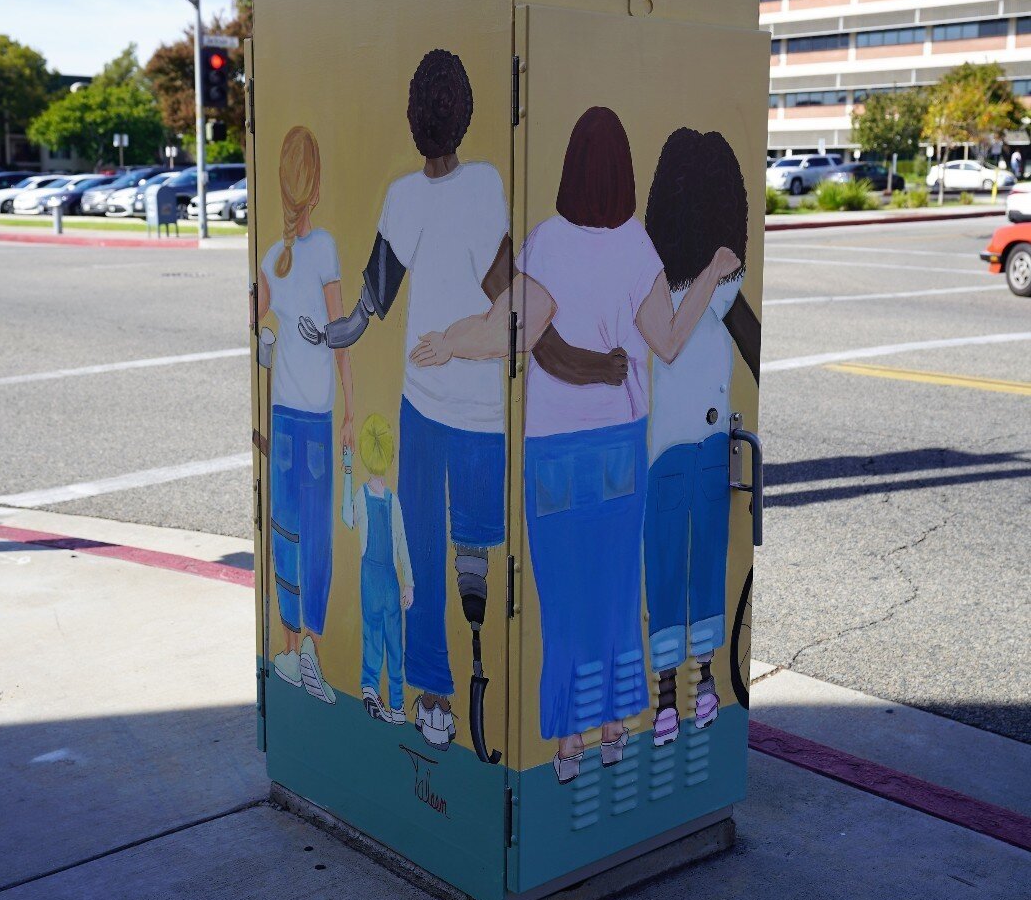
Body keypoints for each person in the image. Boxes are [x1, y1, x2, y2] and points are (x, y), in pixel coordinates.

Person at [300, 51, 621, 754]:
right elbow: (512, 300)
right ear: (466, 111)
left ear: (416, 116)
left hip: (428, 403)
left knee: (419, 551)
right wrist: (581, 362)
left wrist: (325, 334)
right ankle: (472, 676)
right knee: (468, 556)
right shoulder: (482, 186)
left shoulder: (407, 196)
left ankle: (437, 698)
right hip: (475, 414)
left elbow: (368, 307)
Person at [411, 107, 739, 783]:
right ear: (622, 175)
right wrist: (711, 272)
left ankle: (568, 749)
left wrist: (448, 343)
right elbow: (670, 342)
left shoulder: (549, 243)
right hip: (620, 451)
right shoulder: (636, 249)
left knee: (562, 604)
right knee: (616, 599)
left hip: (554, 455)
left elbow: (506, 330)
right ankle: (617, 727)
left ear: (570, 170)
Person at [642, 128, 757, 745]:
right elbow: (679, 337)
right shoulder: (698, 288)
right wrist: (716, 269)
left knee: (671, 571)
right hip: (701, 451)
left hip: (669, 452)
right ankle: (702, 685)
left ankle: (677, 695)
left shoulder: (655, 280)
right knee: (700, 568)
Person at [257, 125, 355, 703]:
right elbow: (341, 334)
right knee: (314, 536)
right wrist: (351, 407)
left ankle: (291, 653)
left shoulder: (273, 259)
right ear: (314, 190)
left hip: (285, 421)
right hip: (316, 420)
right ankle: (309, 656)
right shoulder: (324, 250)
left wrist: (269, 335)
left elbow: (259, 322)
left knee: (286, 530)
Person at [342, 414, 414, 726]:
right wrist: (408, 582)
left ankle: (370, 686)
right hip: (388, 576)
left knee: (372, 633)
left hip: (368, 576)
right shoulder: (393, 500)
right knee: (394, 640)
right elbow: (401, 543)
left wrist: (347, 470)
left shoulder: (360, 494)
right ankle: (397, 705)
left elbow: (348, 519)